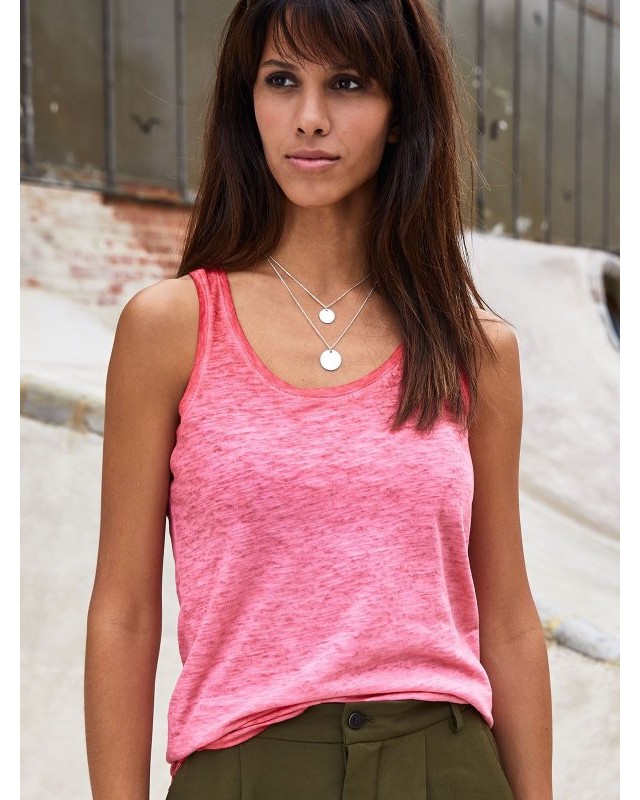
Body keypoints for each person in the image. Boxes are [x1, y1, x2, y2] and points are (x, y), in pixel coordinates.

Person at [84, 0, 553, 798]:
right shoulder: (170, 329)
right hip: (244, 769)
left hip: (445, 768)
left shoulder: (474, 349)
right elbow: (124, 613)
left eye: (347, 83)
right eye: (281, 80)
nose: (309, 117)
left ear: (401, 113)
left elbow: (508, 617)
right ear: (248, 101)